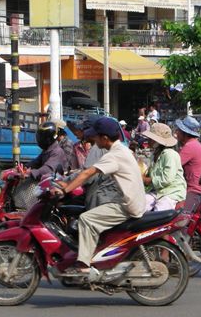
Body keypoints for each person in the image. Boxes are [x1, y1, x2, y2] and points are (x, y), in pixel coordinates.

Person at [53, 117, 146, 273]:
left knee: (86, 219)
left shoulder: (114, 154)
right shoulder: (120, 149)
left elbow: (88, 173)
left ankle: (83, 264)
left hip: (128, 205)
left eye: (96, 136)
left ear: (104, 138)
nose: (93, 139)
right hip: (127, 200)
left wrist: (65, 190)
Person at [142, 123, 186, 211]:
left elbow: (167, 179)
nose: (148, 141)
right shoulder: (155, 154)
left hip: (172, 192)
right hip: (158, 191)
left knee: (159, 212)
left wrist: (148, 180)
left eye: (151, 139)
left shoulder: (170, 154)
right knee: (139, 205)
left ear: (157, 142)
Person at [175, 116, 201, 210]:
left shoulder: (190, 146)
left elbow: (173, 165)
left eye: (179, 130)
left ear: (185, 133)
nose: (176, 132)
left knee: (178, 218)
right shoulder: (194, 144)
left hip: (195, 191)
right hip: (198, 189)